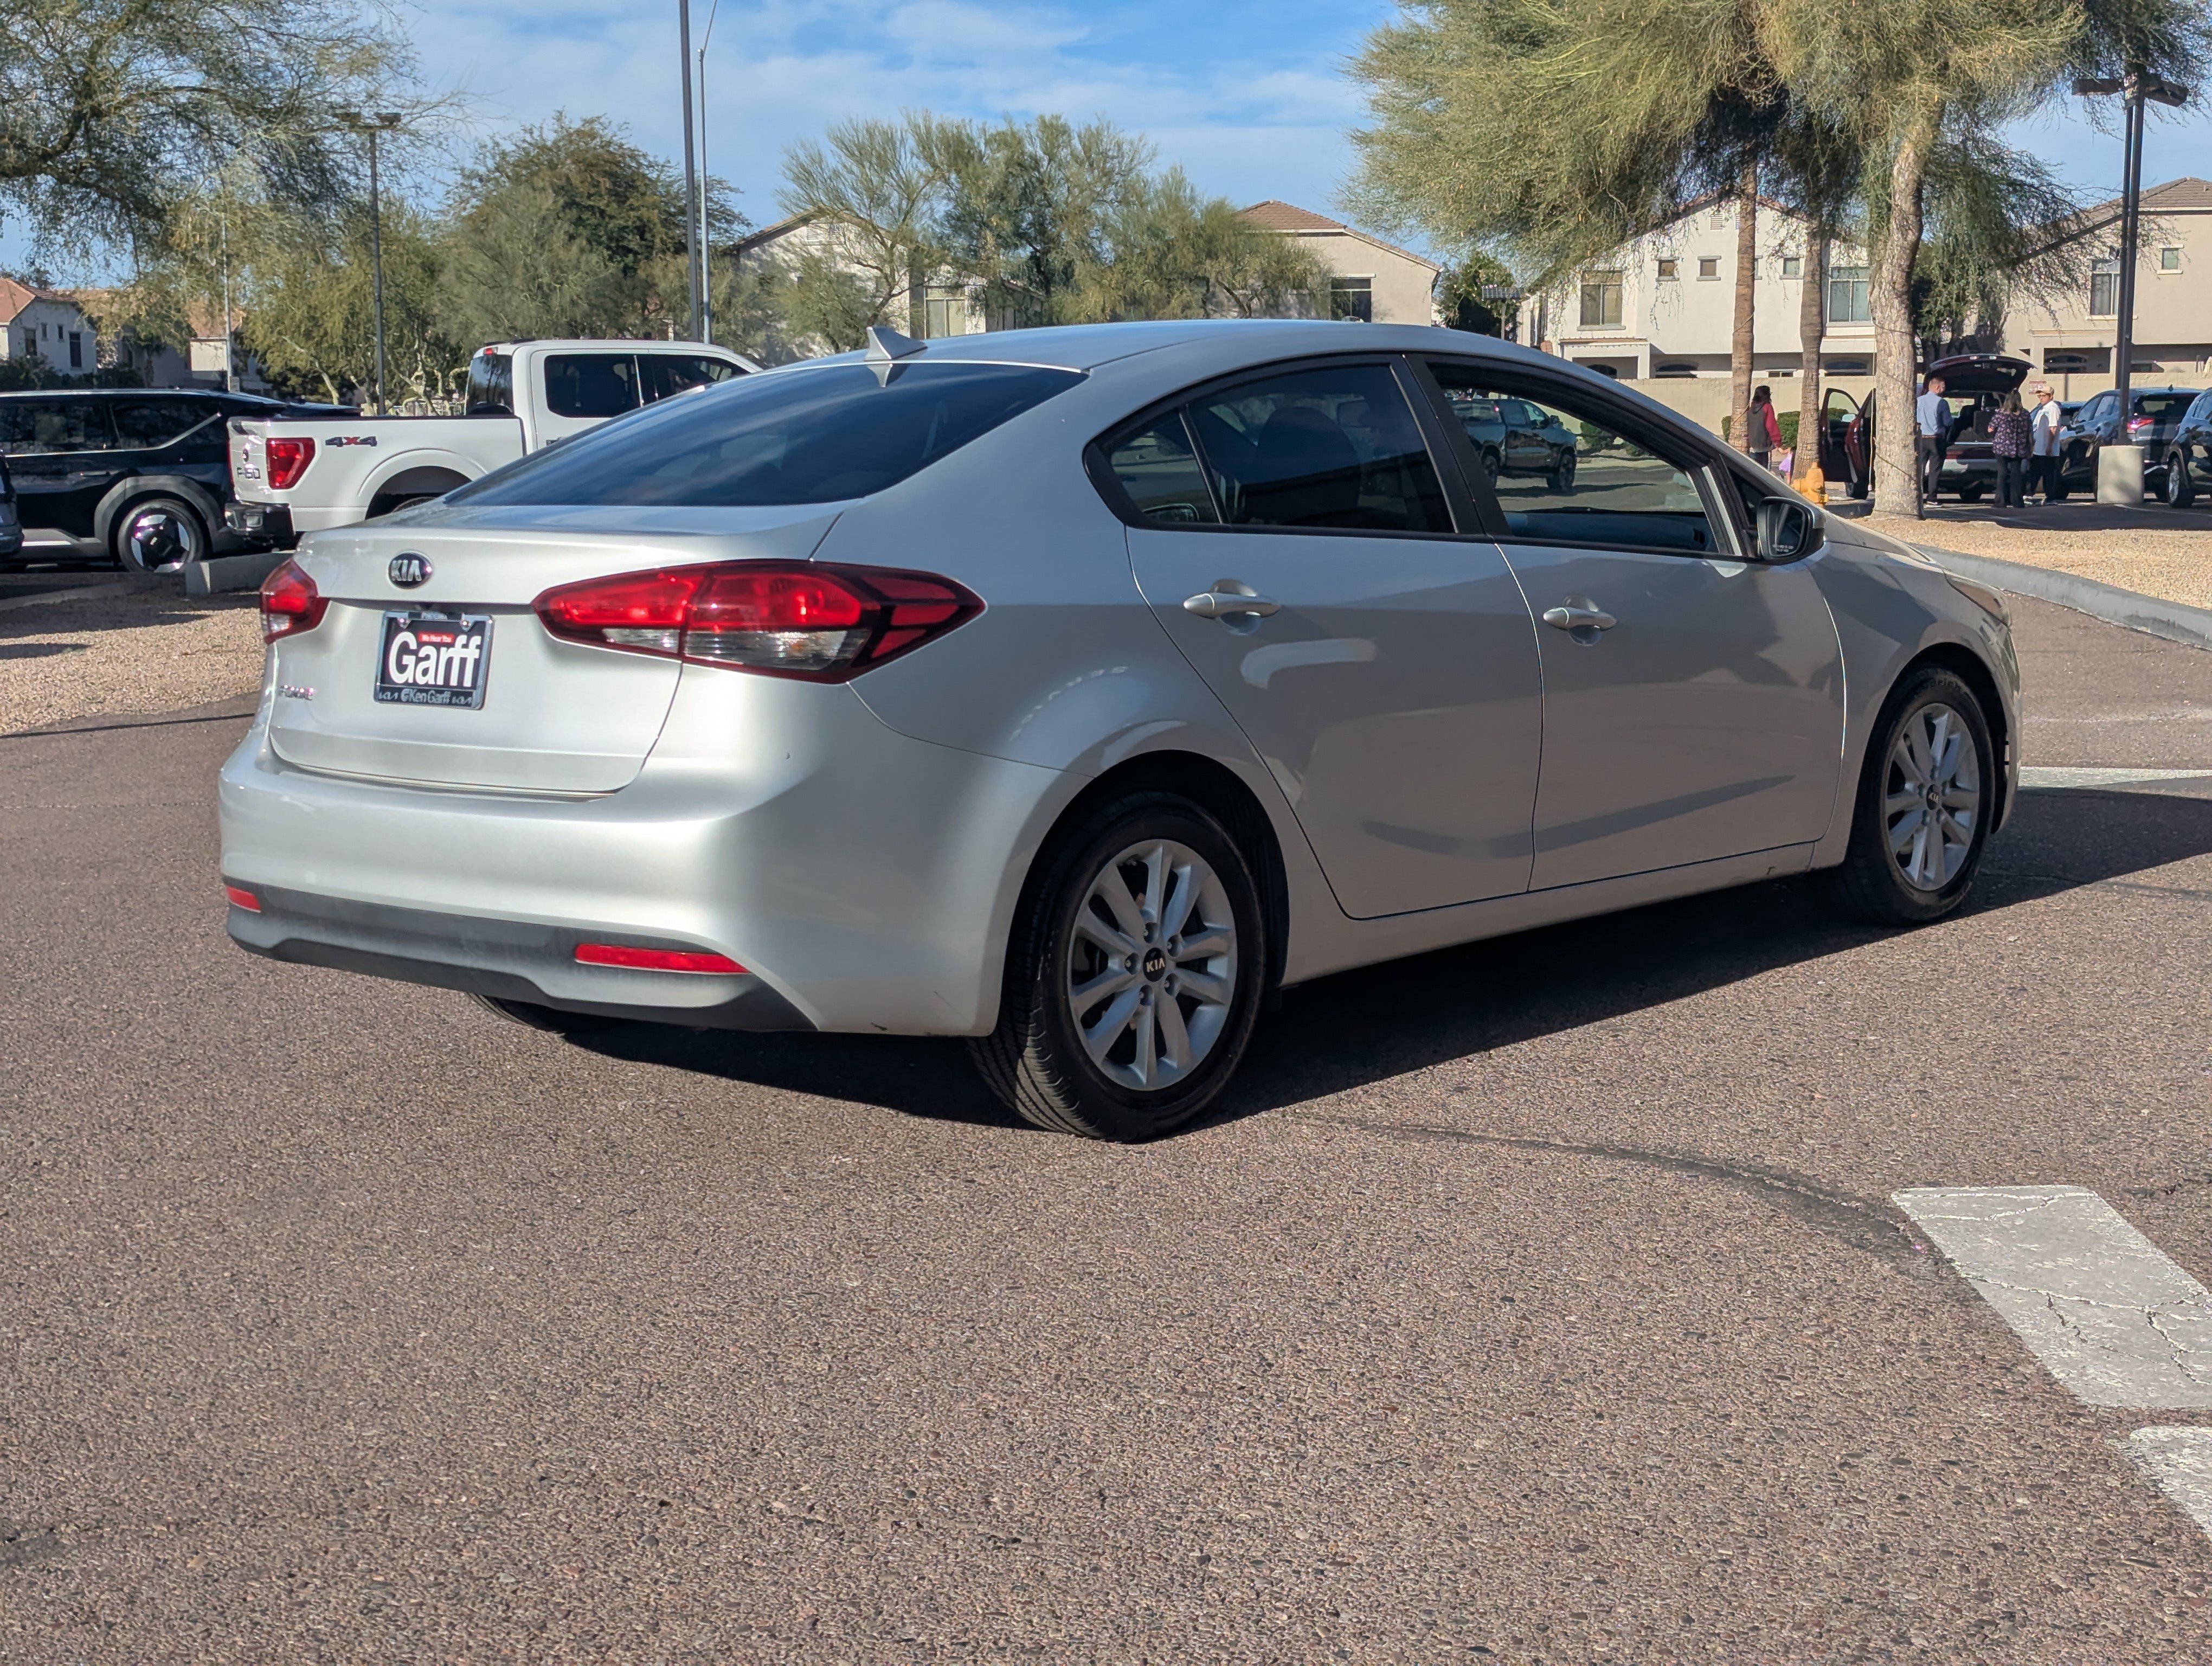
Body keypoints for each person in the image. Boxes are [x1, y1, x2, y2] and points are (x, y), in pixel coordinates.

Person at [1990, 390, 2033, 509]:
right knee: (2016, 474)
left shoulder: (2001, 413)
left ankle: (2000, 501)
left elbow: (1990, 428)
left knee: (2002, 473)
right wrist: (2031, 448)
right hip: (2019, 448)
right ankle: (2017, 502)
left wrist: (1995, 434)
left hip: (2002, 448)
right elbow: (2030, 432)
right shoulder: (2025, 414)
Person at [1916, 374, 1952, 503]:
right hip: (1936, 440)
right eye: (1943, 387)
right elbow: (1948, 422)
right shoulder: (1942, 403)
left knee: (1919, 469)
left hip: (1921, 439)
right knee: (1934, 471)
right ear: (1937, 388)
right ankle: (1932, 498)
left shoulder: (1919, 401)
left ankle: (1917, 496)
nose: (1944, 390)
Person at [2029, 381, 2065, 503]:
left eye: (2044, 396)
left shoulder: (2053, 408)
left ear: (2051, 396)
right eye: (2039, 396)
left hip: (2047, 450)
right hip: (2039, 448)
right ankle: (2031, 494)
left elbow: (2053, 428)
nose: (2041, 398)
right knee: (2036, 471)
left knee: (2048, 474)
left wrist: (2049, 446)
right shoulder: (2042, 409)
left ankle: (2050, 497)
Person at [1748, 385, 1782, 472]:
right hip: (1764, 447)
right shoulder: (1767, 407)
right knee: (1764, 473)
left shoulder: (1750, 409)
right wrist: (1778, 441)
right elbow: (1771, 425)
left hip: (1752, 445)